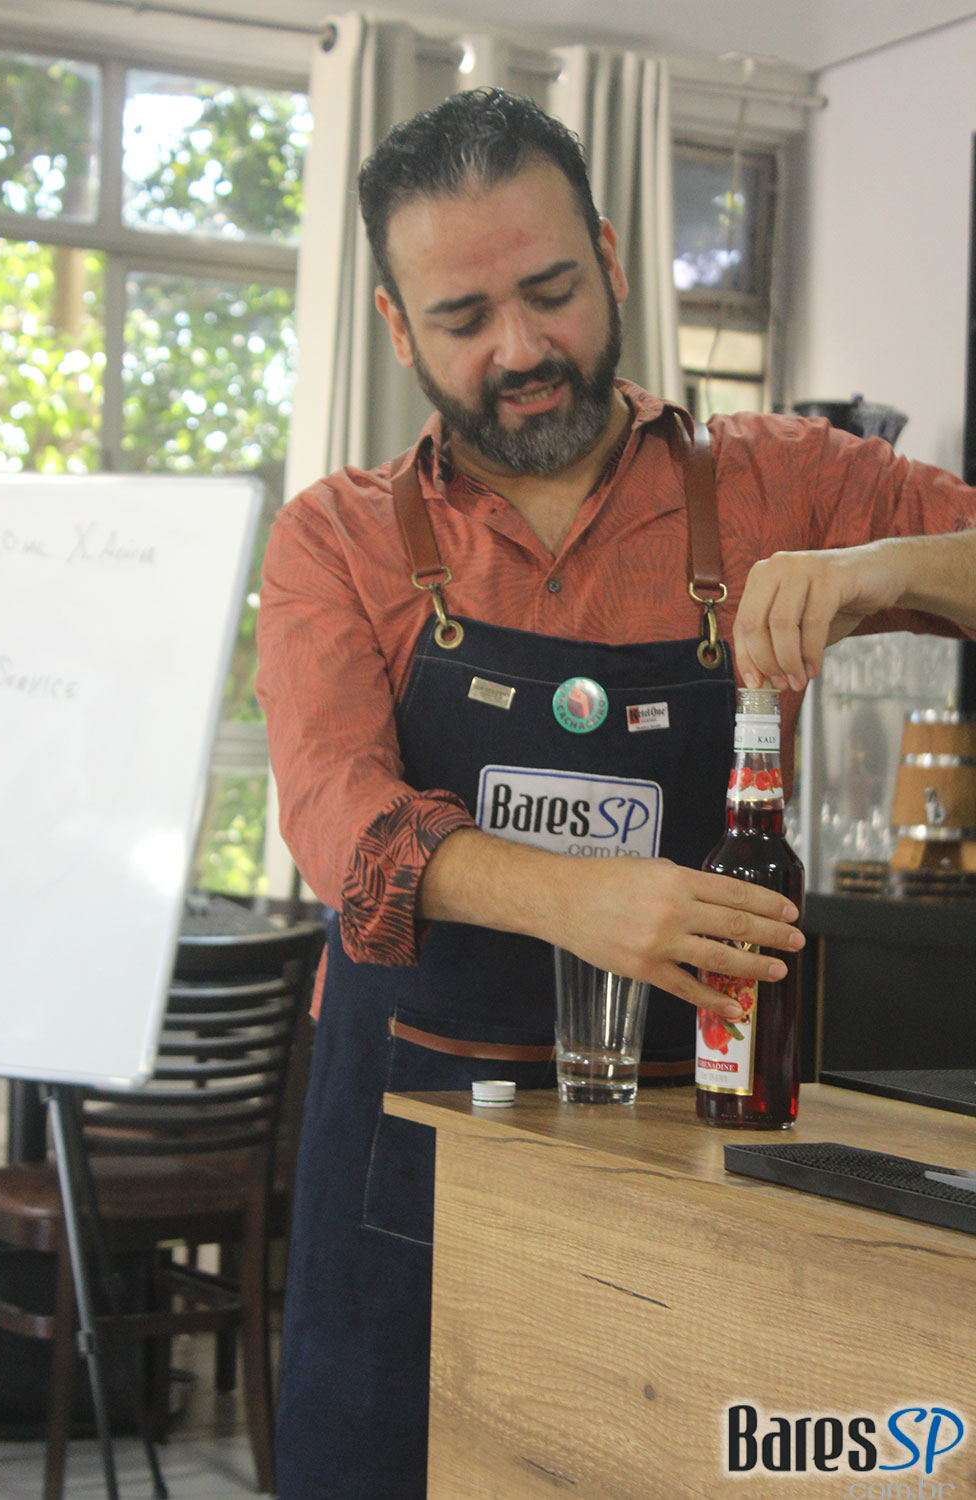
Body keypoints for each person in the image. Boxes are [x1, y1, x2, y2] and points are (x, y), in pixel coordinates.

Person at [256, 88, 976, 1500]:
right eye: (465, 318)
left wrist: (883, 566)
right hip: (409, 1162)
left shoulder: (782, 484)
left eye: (551, 292)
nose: (522, 350)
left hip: (695, 1160)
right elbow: (339, 818)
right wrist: (577, 903)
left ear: (610, 259)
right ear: (396, 328)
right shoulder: (336, 539)